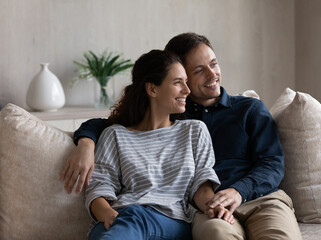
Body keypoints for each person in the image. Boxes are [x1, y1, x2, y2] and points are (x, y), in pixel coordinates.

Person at [62, 33, 302, 239]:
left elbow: (272, 164)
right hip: (208, 207)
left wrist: (238, 191)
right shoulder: (175, 112)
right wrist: (85, 142)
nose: (212, 74)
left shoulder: (248, 109)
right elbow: (110, 127)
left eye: (214, 64)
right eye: (198, 71)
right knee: (217, 233)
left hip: (261, 199)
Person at [84, 49, 232, 240]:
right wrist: (109, 215)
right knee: (129, 220)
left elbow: (201, 185)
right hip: (116, 222)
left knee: (135, 217)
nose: (187, 90)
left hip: (170, 221)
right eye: (178, 82)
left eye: (186, 82)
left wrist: (215, 206)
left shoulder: (194, 131)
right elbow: (99, 186)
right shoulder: (115, 135)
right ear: (152, 89)